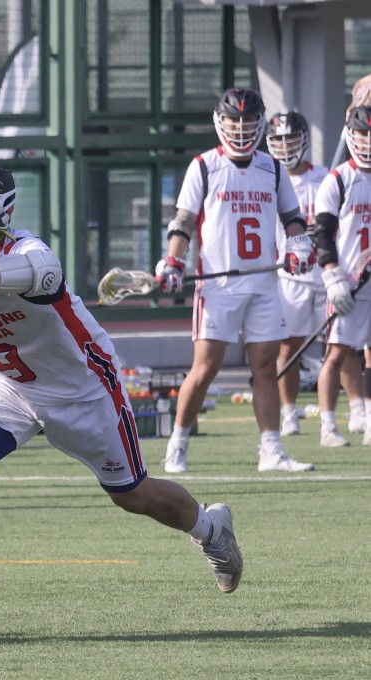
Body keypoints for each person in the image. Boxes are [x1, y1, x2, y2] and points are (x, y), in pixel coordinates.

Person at [0, 155, 243, 634]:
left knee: (134, 495)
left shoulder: (27, 250)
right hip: (9, 385)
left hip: (80, 388)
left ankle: (210, 529)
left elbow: (37, 273)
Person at [157, 88, 315, 474]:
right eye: (233, 120)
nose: (241, 128)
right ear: (220, 121)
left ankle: (271, 450)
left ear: (260, 123)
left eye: (248, 120)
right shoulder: (204, 166)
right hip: (218, 285)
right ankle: (177, 444)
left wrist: (298, 246)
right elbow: (183, 221)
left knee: (265, 363)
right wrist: (174, 261)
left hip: (263, 282)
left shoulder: (272, 168)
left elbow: (293, 218)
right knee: (206, 367)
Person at [264, 111, 363, 442]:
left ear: (304, 140)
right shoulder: (268, 179)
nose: (285, 146)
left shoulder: (326, 177)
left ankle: (357, 410)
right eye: (278, 140)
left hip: (327, 274)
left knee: (343, 344)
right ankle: (289, 412)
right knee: (290, 346)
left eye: (291, 139)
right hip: (290, 278)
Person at [312, 106, 371, 448]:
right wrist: (332, 275)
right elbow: (322, 233)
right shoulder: (338, 179)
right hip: (348, 282)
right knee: (336, 352)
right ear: (351, 134)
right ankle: (328, 427)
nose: (367, 140)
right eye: (362, 133)